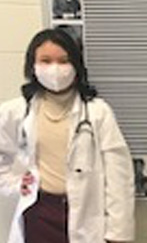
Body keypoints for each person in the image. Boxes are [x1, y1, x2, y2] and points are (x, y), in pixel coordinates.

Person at [0, 29, 135, 243]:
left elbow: (119, 177)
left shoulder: (98, 112)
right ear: (32, 67)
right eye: (46, 60)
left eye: (63, 61)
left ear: (76, 66)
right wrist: (14, 183)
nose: (55, 69)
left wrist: (118, 233)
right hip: (39, 213)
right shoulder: (16, 111)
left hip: (86, 214)